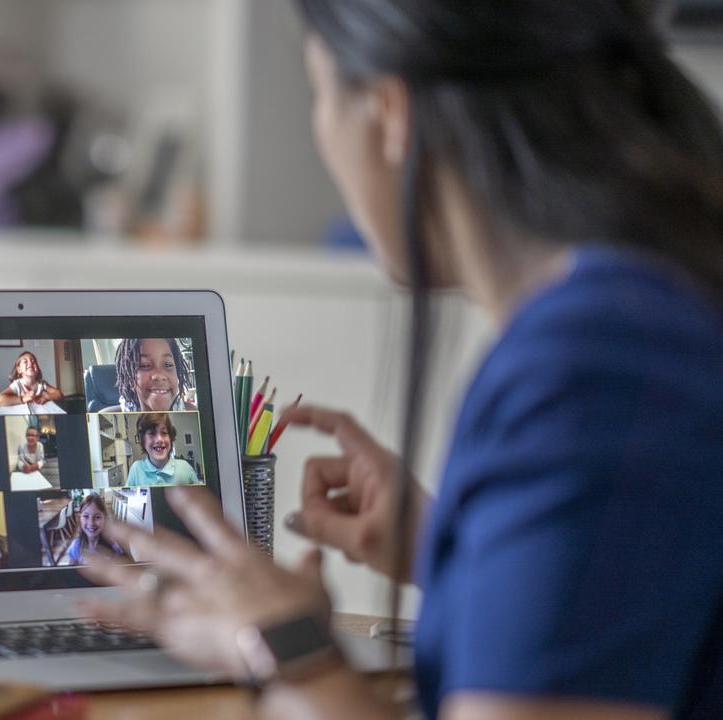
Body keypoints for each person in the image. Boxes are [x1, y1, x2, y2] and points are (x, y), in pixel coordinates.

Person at [78, 2, 723, 719]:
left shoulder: (598, 358)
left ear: (390, 113)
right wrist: (449, 549)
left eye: (319, 95)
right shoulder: (641, 311)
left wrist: (278, 644)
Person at [108, 338, 196, 412]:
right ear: (130, 379)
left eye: (167, 365)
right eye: (145, 365)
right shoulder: (106, 416)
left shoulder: (192, 412)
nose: (159, 376)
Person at [124, 413, 199, 487]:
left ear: (170, 438)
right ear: (143, 441)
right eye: (152, 433)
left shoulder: (185, 468)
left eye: (164, 433)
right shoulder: (136, 469)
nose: (159, 440)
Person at [0, 351, 65, 412]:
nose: (30, 363)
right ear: (19, 370)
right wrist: (23, 399)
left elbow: (59, 394)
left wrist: (46, 396)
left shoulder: (42, 383)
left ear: (37, 369)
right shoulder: (17, 385)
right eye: (25, 361)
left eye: (33, 362)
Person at [64, 494, 125, 566]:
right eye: (86, 516)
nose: (91, 523)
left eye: (97, 517)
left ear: (104, 519)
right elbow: (71, 571)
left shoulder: (114, 546)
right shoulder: (76, 546)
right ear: (80, 518)